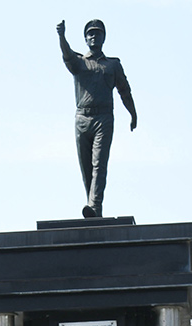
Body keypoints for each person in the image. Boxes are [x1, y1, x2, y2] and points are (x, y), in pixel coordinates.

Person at [56, 19, 137, 218]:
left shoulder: (113, 65)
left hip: (104, 118)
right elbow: (66, 54)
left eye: (98, 33)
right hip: (82, 118)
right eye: (90, 34)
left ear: (103, 37)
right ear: (85, 39)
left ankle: (94, 206)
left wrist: (133, 114)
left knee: (99, 165)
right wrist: (61, 36)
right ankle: (93, 208)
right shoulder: (79, 63)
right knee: (86, 168)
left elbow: (125, 91)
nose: (94, 36)